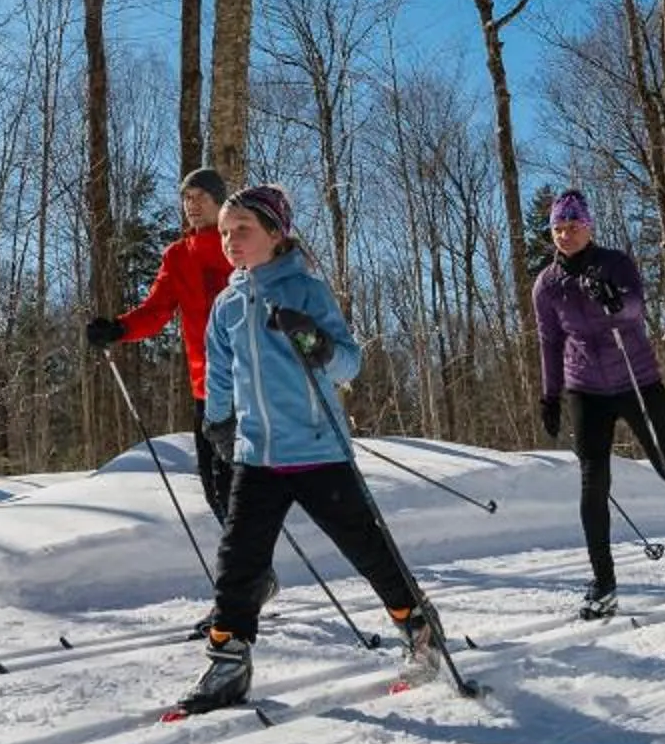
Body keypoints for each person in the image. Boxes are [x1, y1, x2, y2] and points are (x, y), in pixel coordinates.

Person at [175, 182, 442, 714]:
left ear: (276, 234)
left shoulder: (306, 292)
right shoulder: (227, 305)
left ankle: (418, 628)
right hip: (257, 455)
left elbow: (348, 363)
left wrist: (315, 343)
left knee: (366, 548)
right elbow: (220, 373)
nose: (230, 240)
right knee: (238, 562)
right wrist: (219, 422)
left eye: (243, 229)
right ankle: (228, 661)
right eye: (225, 232)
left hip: (318, 450)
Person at [533, 188, 665, 619]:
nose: (565, 235)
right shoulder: (547, 284)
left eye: (573, 226)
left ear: (588, 228)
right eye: (558, 228)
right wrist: (550, 396)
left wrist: (615, 302)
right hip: (585, 388)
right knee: (593, 482)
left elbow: (636, 308)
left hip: (637, 380)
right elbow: (549, 341)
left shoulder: (614, 263)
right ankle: (603, 583)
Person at [86, 168, 236, 516]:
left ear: (219, 201)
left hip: (251, 385)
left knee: (247, 491)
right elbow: (156, 310)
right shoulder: (178, 256)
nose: (192, 205)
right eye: (186, 198)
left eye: (200, 197)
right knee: (218, 492)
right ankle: (248, 553)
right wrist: (119, 328)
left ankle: (255, 552)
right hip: (206, 389)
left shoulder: (241, 244)